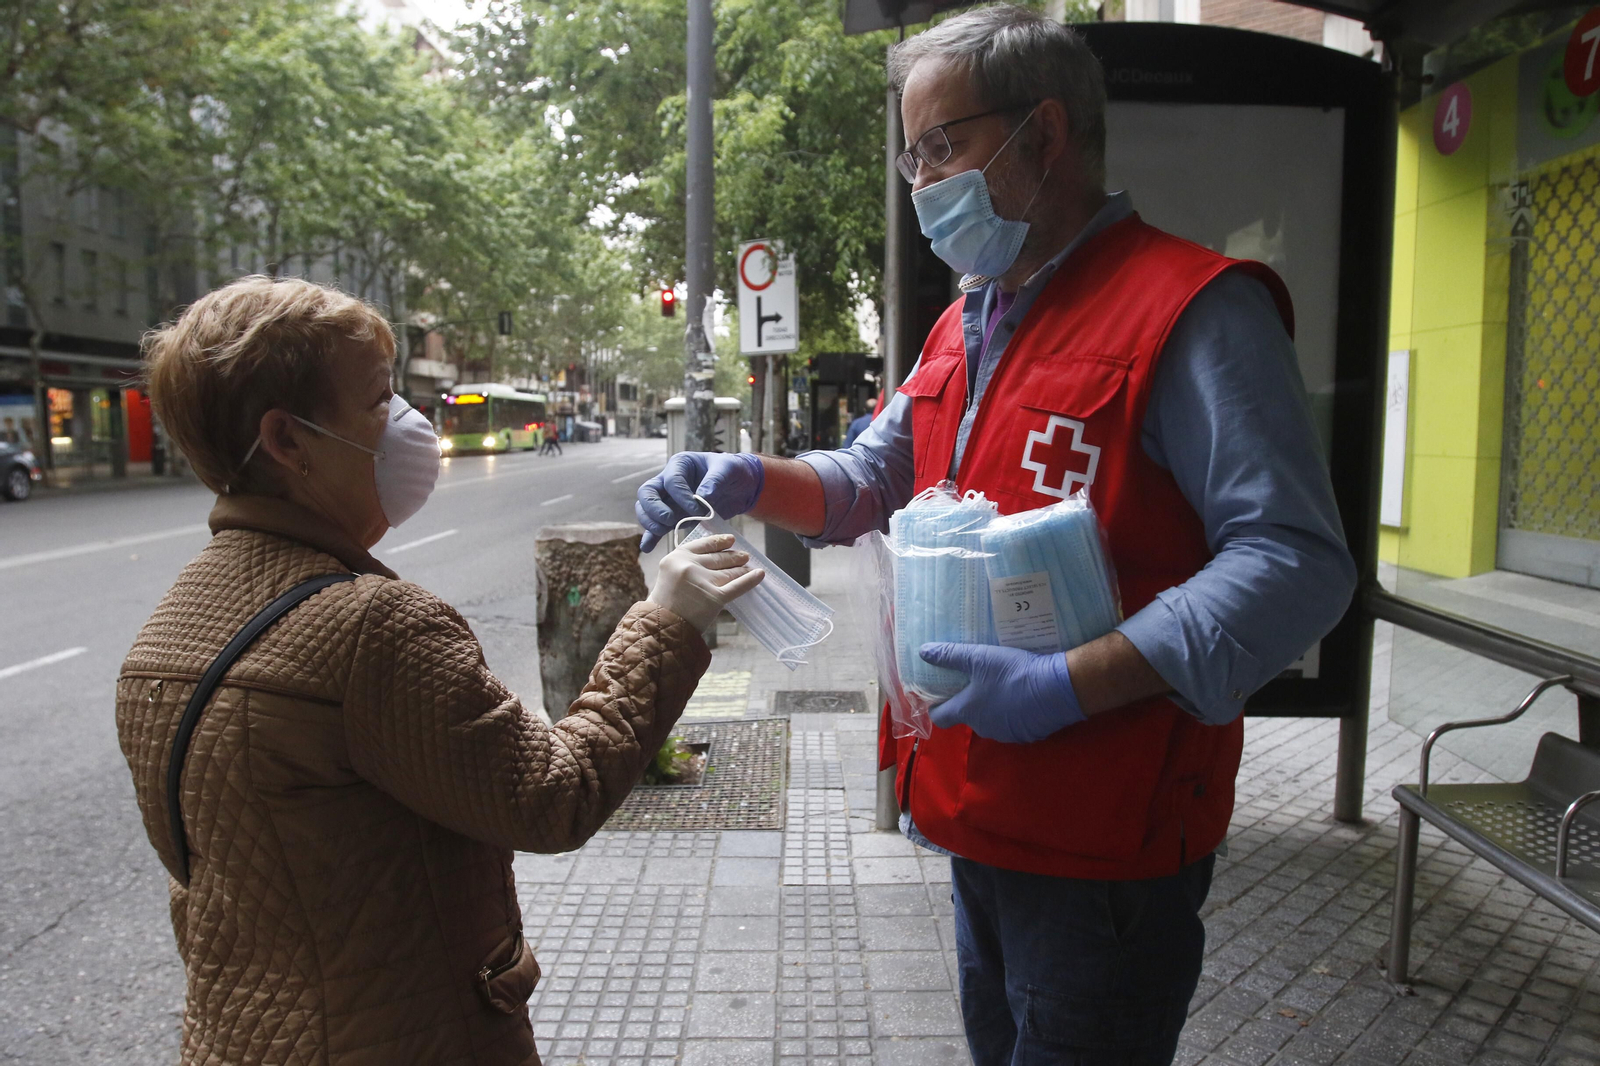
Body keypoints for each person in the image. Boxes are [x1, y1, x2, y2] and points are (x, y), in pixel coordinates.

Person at [636, 7, 1356, 1065]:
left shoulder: (1194, 311)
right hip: (976, 806)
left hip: (1107, 836)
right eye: (911, 152)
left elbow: (1294, 561)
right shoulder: (968, 316)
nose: (919, 178)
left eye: (942, 145)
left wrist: (1070, 682)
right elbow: (874, 478)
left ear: (1044, 136)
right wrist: (746, 479)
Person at [118, 276, 763, 1065]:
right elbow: (555, 797)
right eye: (381, 401)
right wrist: (668, 619)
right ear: (288, 442)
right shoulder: (372, 628)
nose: (408, 425)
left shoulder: (158, 639)